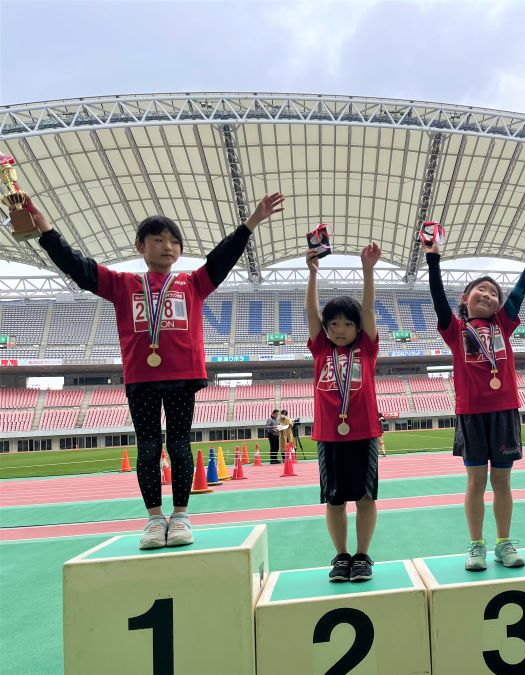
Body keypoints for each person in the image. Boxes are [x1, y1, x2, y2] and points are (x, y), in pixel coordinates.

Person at [28, 191, 285, 549]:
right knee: (148, 449)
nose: (167, 246)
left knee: (179, 446)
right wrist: (44, 229)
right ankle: (153, 519)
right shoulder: (122, 285)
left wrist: (251, 223)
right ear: (140, 246)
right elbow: (78, 267)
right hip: (142, 378)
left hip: (182, 377)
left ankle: (180, 515)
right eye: (158, 240)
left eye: (173, 241)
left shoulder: (193, 283)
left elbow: (222, 258)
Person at [426, 233, 525, 571]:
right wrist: (434, 259)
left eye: (494, 293)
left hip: (504, 412)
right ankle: (476, 545)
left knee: (502, 482)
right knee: (476, 482)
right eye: (482, 290)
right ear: (465, 298)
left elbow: (519, 293)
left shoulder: (504, 325)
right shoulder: (455, 330)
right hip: (471, 415)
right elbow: (436, 297)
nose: (489, 295)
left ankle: (504, 543)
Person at [306, 241, 383, 582]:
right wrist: (312, 275)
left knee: (365, 497)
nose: (339, 329)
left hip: (364, 432)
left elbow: (367, 309)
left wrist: (368, 271)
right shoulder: (321, 348)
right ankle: (340, 556)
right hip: (328, 435)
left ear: (357, 328)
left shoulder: (366, 349)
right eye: (333, 324)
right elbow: (311, 313)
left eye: (346, 324)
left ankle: (363, 555)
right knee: (334, 500)